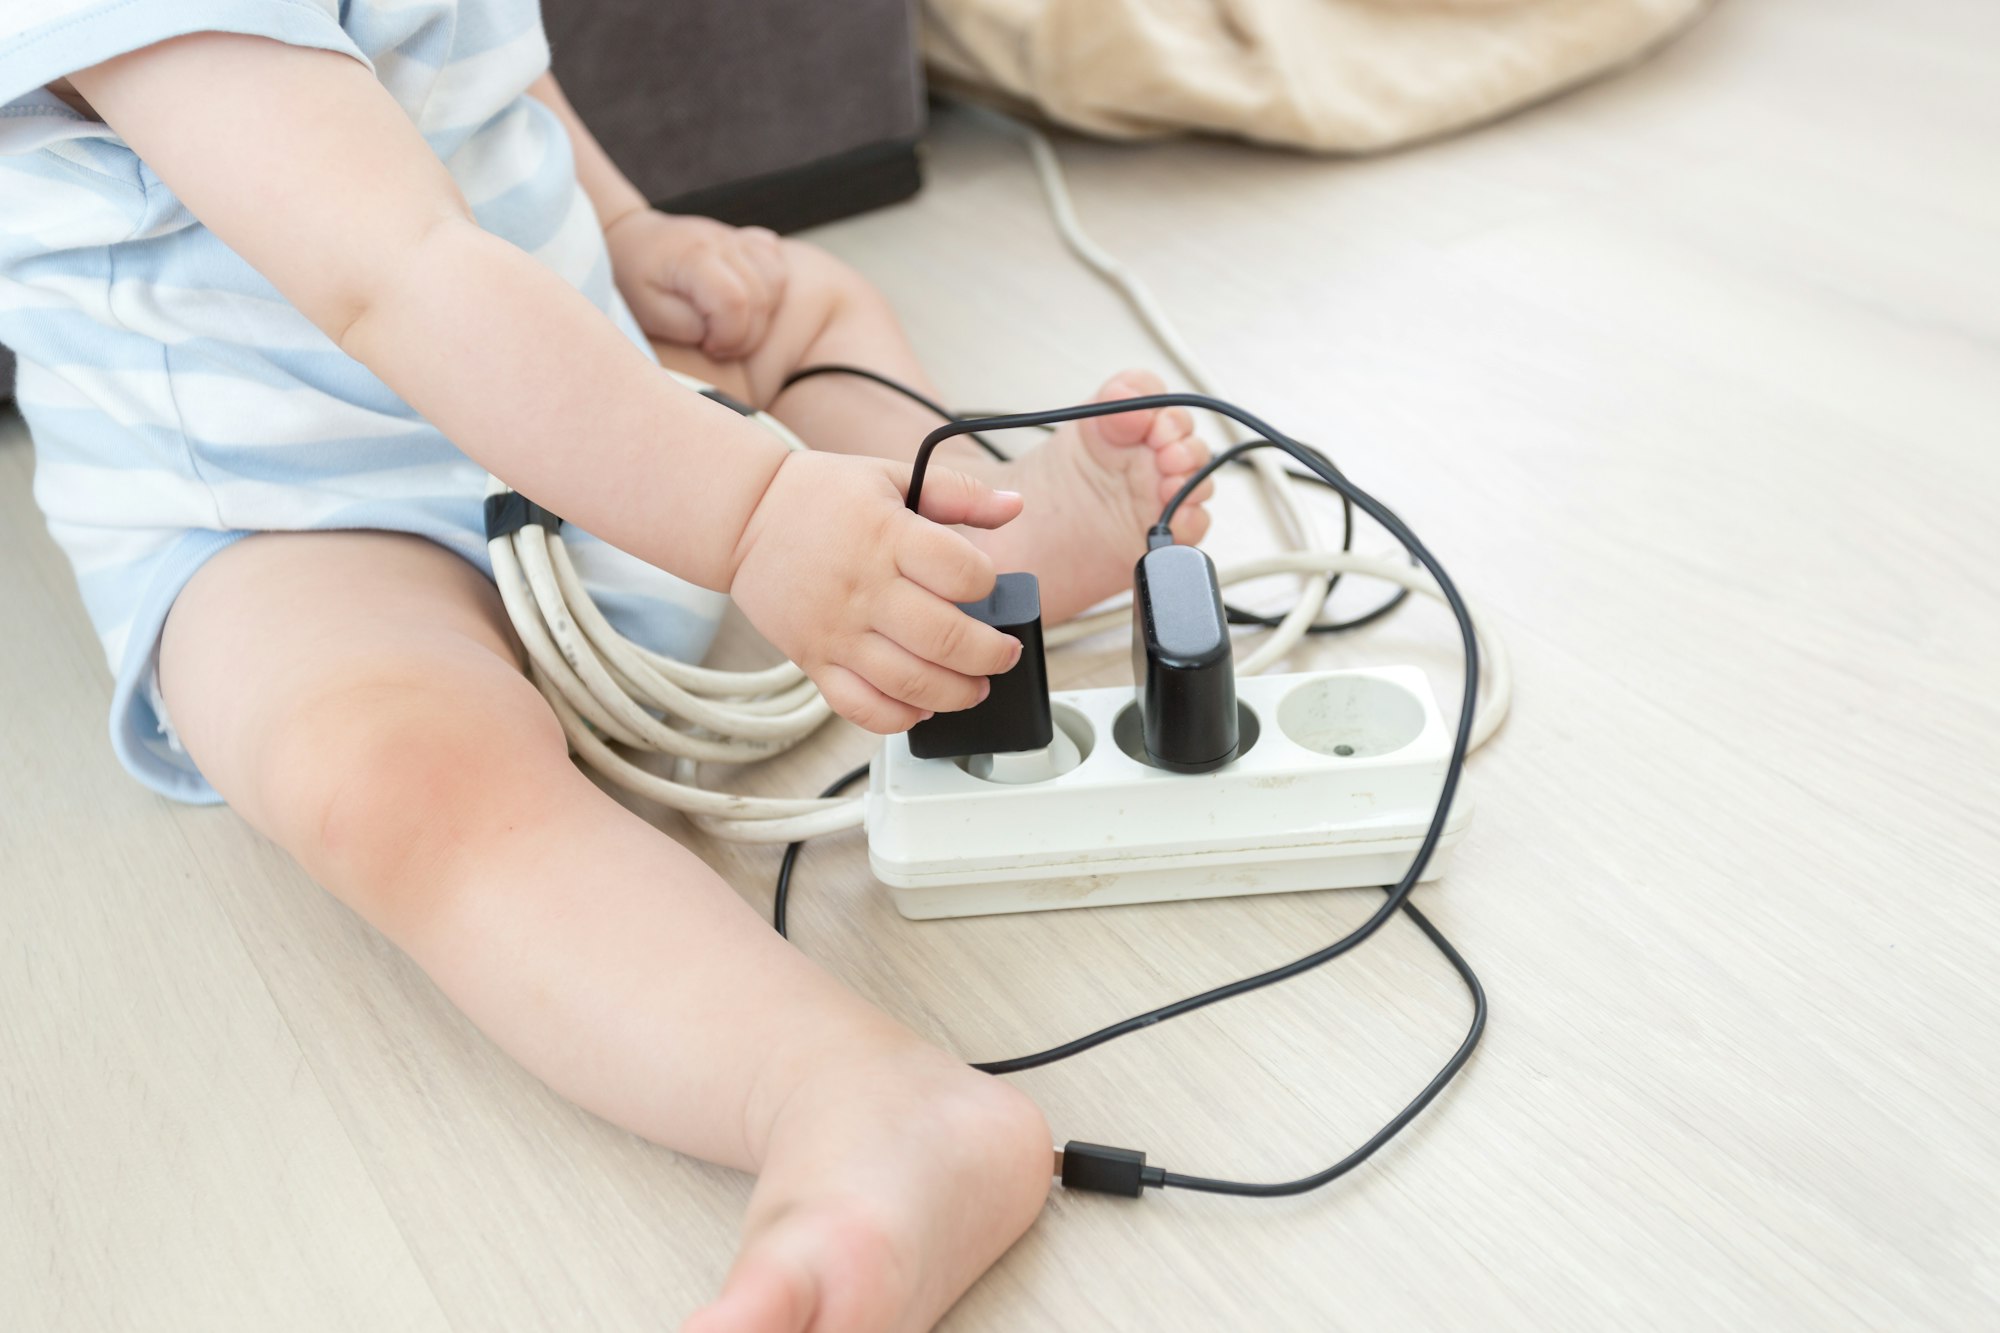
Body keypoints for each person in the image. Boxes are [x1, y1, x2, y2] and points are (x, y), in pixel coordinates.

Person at [0, 4, 1211, 1328]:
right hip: (292, 510)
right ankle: (848, 1093)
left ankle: (972, 543)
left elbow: (480, 68)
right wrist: (749, 512)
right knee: (384, 767)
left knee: (793, 309)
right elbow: (390, 268)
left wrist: (631, 236)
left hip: (579, 386)